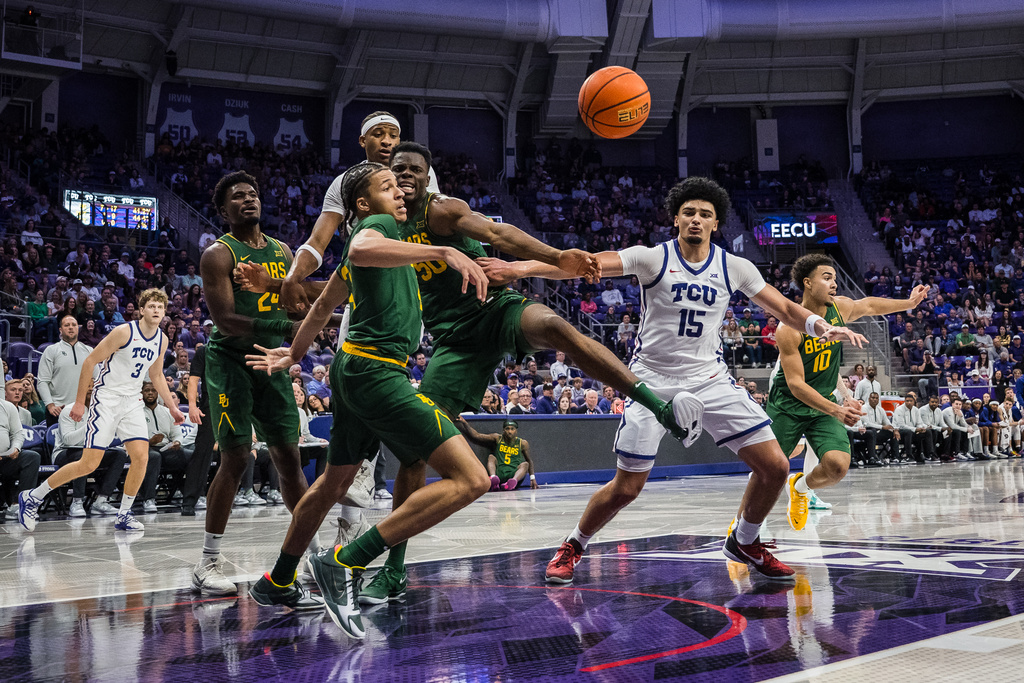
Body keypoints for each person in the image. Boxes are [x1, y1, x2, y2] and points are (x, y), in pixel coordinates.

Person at [240, 143, 693, 598]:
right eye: (396, 173)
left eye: (414, 170)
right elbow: (342, 278)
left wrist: (554, 258)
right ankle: (390, 569)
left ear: (429, 177)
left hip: (494, 311)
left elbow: (503, 235)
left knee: (555, 325)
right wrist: (281, 287)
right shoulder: (386, 232)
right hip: (449, 345)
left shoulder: (441, 212)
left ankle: (657, 403)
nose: (405, 179)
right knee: (416, 458)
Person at [495, 176, 867, 583]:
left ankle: (745, 540)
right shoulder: (652, 258)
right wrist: (520, 267)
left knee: (775, 467)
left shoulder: (733, 266)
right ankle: (574, 544)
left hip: (710, 378)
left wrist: (818, 325)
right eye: (688, 212)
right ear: (675, 218)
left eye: (705, 214)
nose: (696, 219)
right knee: (627, 488)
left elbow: (783, 307)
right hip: (652, 380)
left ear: (715, 224)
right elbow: (585, 263)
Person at [244, 161, 491, 635]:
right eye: (387, 186)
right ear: (362, 204)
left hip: (352, 370)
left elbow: (322, 305)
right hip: (377, 373)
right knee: (472, 478)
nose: (399, 192)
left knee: (335, 483)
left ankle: (278, 579)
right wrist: (443, 248)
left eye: (400, 186)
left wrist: (293, 355)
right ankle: (346, 562)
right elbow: (358, 243)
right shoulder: (373, 231)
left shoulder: (386, 251)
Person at [190, 171, 326, 598]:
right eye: (237, 197)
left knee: (289, 457)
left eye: (253, 193)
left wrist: (319, 320)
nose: (248, 200)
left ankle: (311, 555)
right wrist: (292, 325)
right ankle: (207, 560)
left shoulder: (284, 252)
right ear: (223, 210)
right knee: (235, 459)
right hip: (230, 361)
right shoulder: (218, 254)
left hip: (271, 361)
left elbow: (301, 302)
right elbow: (226, 320)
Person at [767, 253, 928, 529]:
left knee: (838, 466)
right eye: (826, 278)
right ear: (807, 283)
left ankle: (801, 488)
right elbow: (796, 385)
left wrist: (909, 303)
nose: (834, 284)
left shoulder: (838, 308)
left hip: (823, 403)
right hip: (788, 404)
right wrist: (838, 409)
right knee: (768, 471)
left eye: (835, 278)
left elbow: (869, 305)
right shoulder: (789, 328)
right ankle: (746, 527)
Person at [18, 289, 183, 533]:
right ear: (141, 309)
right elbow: (89, 361)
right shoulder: (124, 332)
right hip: (106, 399)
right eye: (151, 306)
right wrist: (78, 402)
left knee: (142, 456)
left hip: (132, 400)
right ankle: (33, 496)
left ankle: (124, 513)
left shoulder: (162, 339)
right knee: (89, 464)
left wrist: (172, 408)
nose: (156, 310)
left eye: (160, 307)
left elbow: (157, 375)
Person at [52, 386, 129, 517]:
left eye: (95, 387)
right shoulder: (69, 410)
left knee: (119, 454)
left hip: (92, 452)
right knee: (83, 455)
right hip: (65, 452)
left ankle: (101, 500)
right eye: (87, 386)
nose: (91, 389)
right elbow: (68, 441)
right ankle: (77, 501)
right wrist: (90, 424)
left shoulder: (103, 411)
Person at [141, 380, 190, 513]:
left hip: (166, 448)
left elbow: (177, 434)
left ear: (158, 393)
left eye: (153, 390)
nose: (150, 393)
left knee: (191, 455)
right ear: (141, 393)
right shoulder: (136, 412)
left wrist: (177, 442)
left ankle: (195, 496)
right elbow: (132, 440)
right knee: (155, 457)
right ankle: (149, 499)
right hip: (144, 449)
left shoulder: (166, 411)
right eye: (147, 390)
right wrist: (150, 441)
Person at [37, 315, 93, 425]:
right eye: (66, 325)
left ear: (78, 328)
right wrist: (50, 404)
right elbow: (42, 381)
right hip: (58, 410)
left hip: (83, 409)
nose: (71, 327)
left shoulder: (89, 351)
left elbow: (96, 380)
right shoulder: (51, 350)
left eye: (74, 325)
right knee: (56, 442)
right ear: (60, 330)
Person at [459, 418, 537, 491]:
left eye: (512, 429)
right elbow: (477, 435)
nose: (510, 431)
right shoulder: (498, 438)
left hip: (513, 473)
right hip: (499, 472)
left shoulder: (522, 443)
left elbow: (529, 460)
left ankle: (513, 481)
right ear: (503, 430)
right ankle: (493, 479)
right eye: (507, 429)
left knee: (525, 464)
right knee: (491, 457)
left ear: (516, 430)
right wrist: (464, 422)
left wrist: (532, 478)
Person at [182, 344, 214, 516]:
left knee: (234, 454)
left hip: (235, 405)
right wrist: (192, 406)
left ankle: (222, 499)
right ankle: (189, 500)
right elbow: (194, 379)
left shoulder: (237, 347)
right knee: (202, 453)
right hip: (211, 406)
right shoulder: (204, 351)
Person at [0, 390, 41, 521]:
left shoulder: (7, 406)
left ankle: (19, 505)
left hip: (6, 458)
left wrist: (15, 448)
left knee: (32, 457)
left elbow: (18, 433)